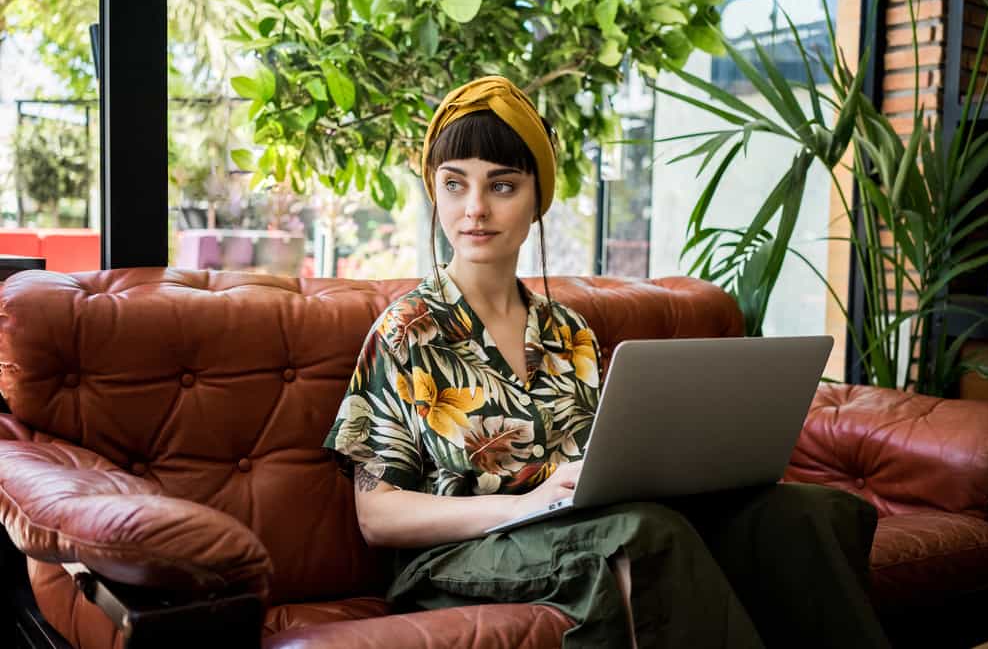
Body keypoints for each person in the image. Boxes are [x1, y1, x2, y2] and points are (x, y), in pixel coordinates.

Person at [324, 75, 891, 648]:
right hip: (456, 557)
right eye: (454, 184)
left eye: (501, 186)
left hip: (578, 527)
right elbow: (379, 515)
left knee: (805, 513)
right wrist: (522, 504)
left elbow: (606, 465)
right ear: (435, 192)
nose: (474, 209)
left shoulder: (569, 332)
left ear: (536, 199)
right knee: (647, 534)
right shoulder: (405, 331)